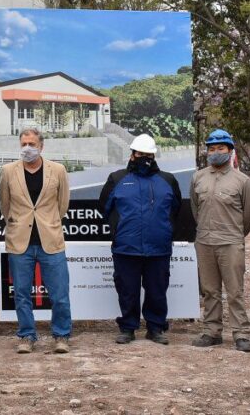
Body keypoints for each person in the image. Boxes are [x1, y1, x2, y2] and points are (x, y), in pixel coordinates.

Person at [99, 134, 181, 346]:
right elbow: (104, 208)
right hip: (126, 248)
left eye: (148, 154)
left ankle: (155, 328)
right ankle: (128, 327)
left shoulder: (168, 180)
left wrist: (164, 230)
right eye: (140, 153)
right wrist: (118, 230)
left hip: (158, 248)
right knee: (127, 291)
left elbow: (175, 209)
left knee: (157, 290)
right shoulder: (117, 179)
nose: (144, 157)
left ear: (154, 155)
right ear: (132, 154)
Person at [0, 127, 72, 354]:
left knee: (59, 294)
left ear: (41, 146)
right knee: (21, 293)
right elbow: (5, 204)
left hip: (50, 240)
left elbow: (62, 204)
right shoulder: (8, 171)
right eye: (23, 144)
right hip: (20, 241)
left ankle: (61, 335)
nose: (27, 148)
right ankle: (27, 336)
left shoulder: (58, 170)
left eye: (32, 144)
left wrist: (48, 223)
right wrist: (18, 223)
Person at [190, 129, 250, 352]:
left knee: (235, 291)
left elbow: (248, 217)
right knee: (210, 290)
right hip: (205, 241)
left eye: (220, 148)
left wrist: (235, 235)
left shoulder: (242, 181)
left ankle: (241, 334)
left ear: (230, 151)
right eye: (211, 148)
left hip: (230, 242)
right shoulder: (198, 177)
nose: (215, 152)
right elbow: (195, 210)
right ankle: (212, 331)